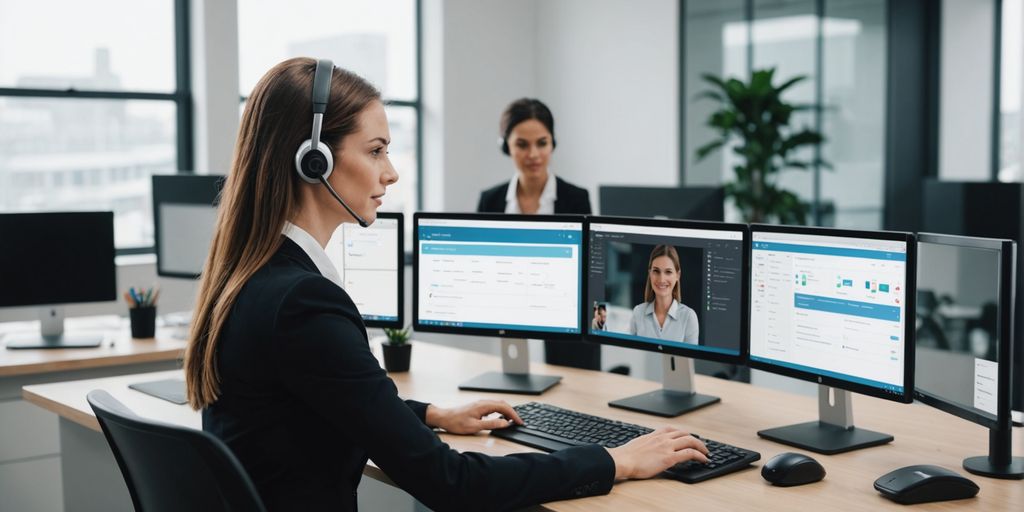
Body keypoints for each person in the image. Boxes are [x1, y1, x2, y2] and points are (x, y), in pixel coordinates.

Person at [183, 58, 708, 512]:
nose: (390, 174)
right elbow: (454, 485)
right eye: (375, 151)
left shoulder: (249, 275)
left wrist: (430, 415)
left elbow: (319, 396)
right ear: (313, 160)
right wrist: (615, 460)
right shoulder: (303, 302)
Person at [478, 98, 599, 371]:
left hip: (566, 327)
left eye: (542, 143)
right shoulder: (491, 201)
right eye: (522, 144)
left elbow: (588, 274)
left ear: (552, 144)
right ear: (505, 146)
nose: (533, 154)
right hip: (508, 319)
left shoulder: (576, 199)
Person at [629, 245, 699, 344]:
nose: (661, 279)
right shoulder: (638, 312)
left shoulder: (688, 317)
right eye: (656, 271)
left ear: (677, 275)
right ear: (650, 274)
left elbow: (689, 359)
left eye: (668, 272)